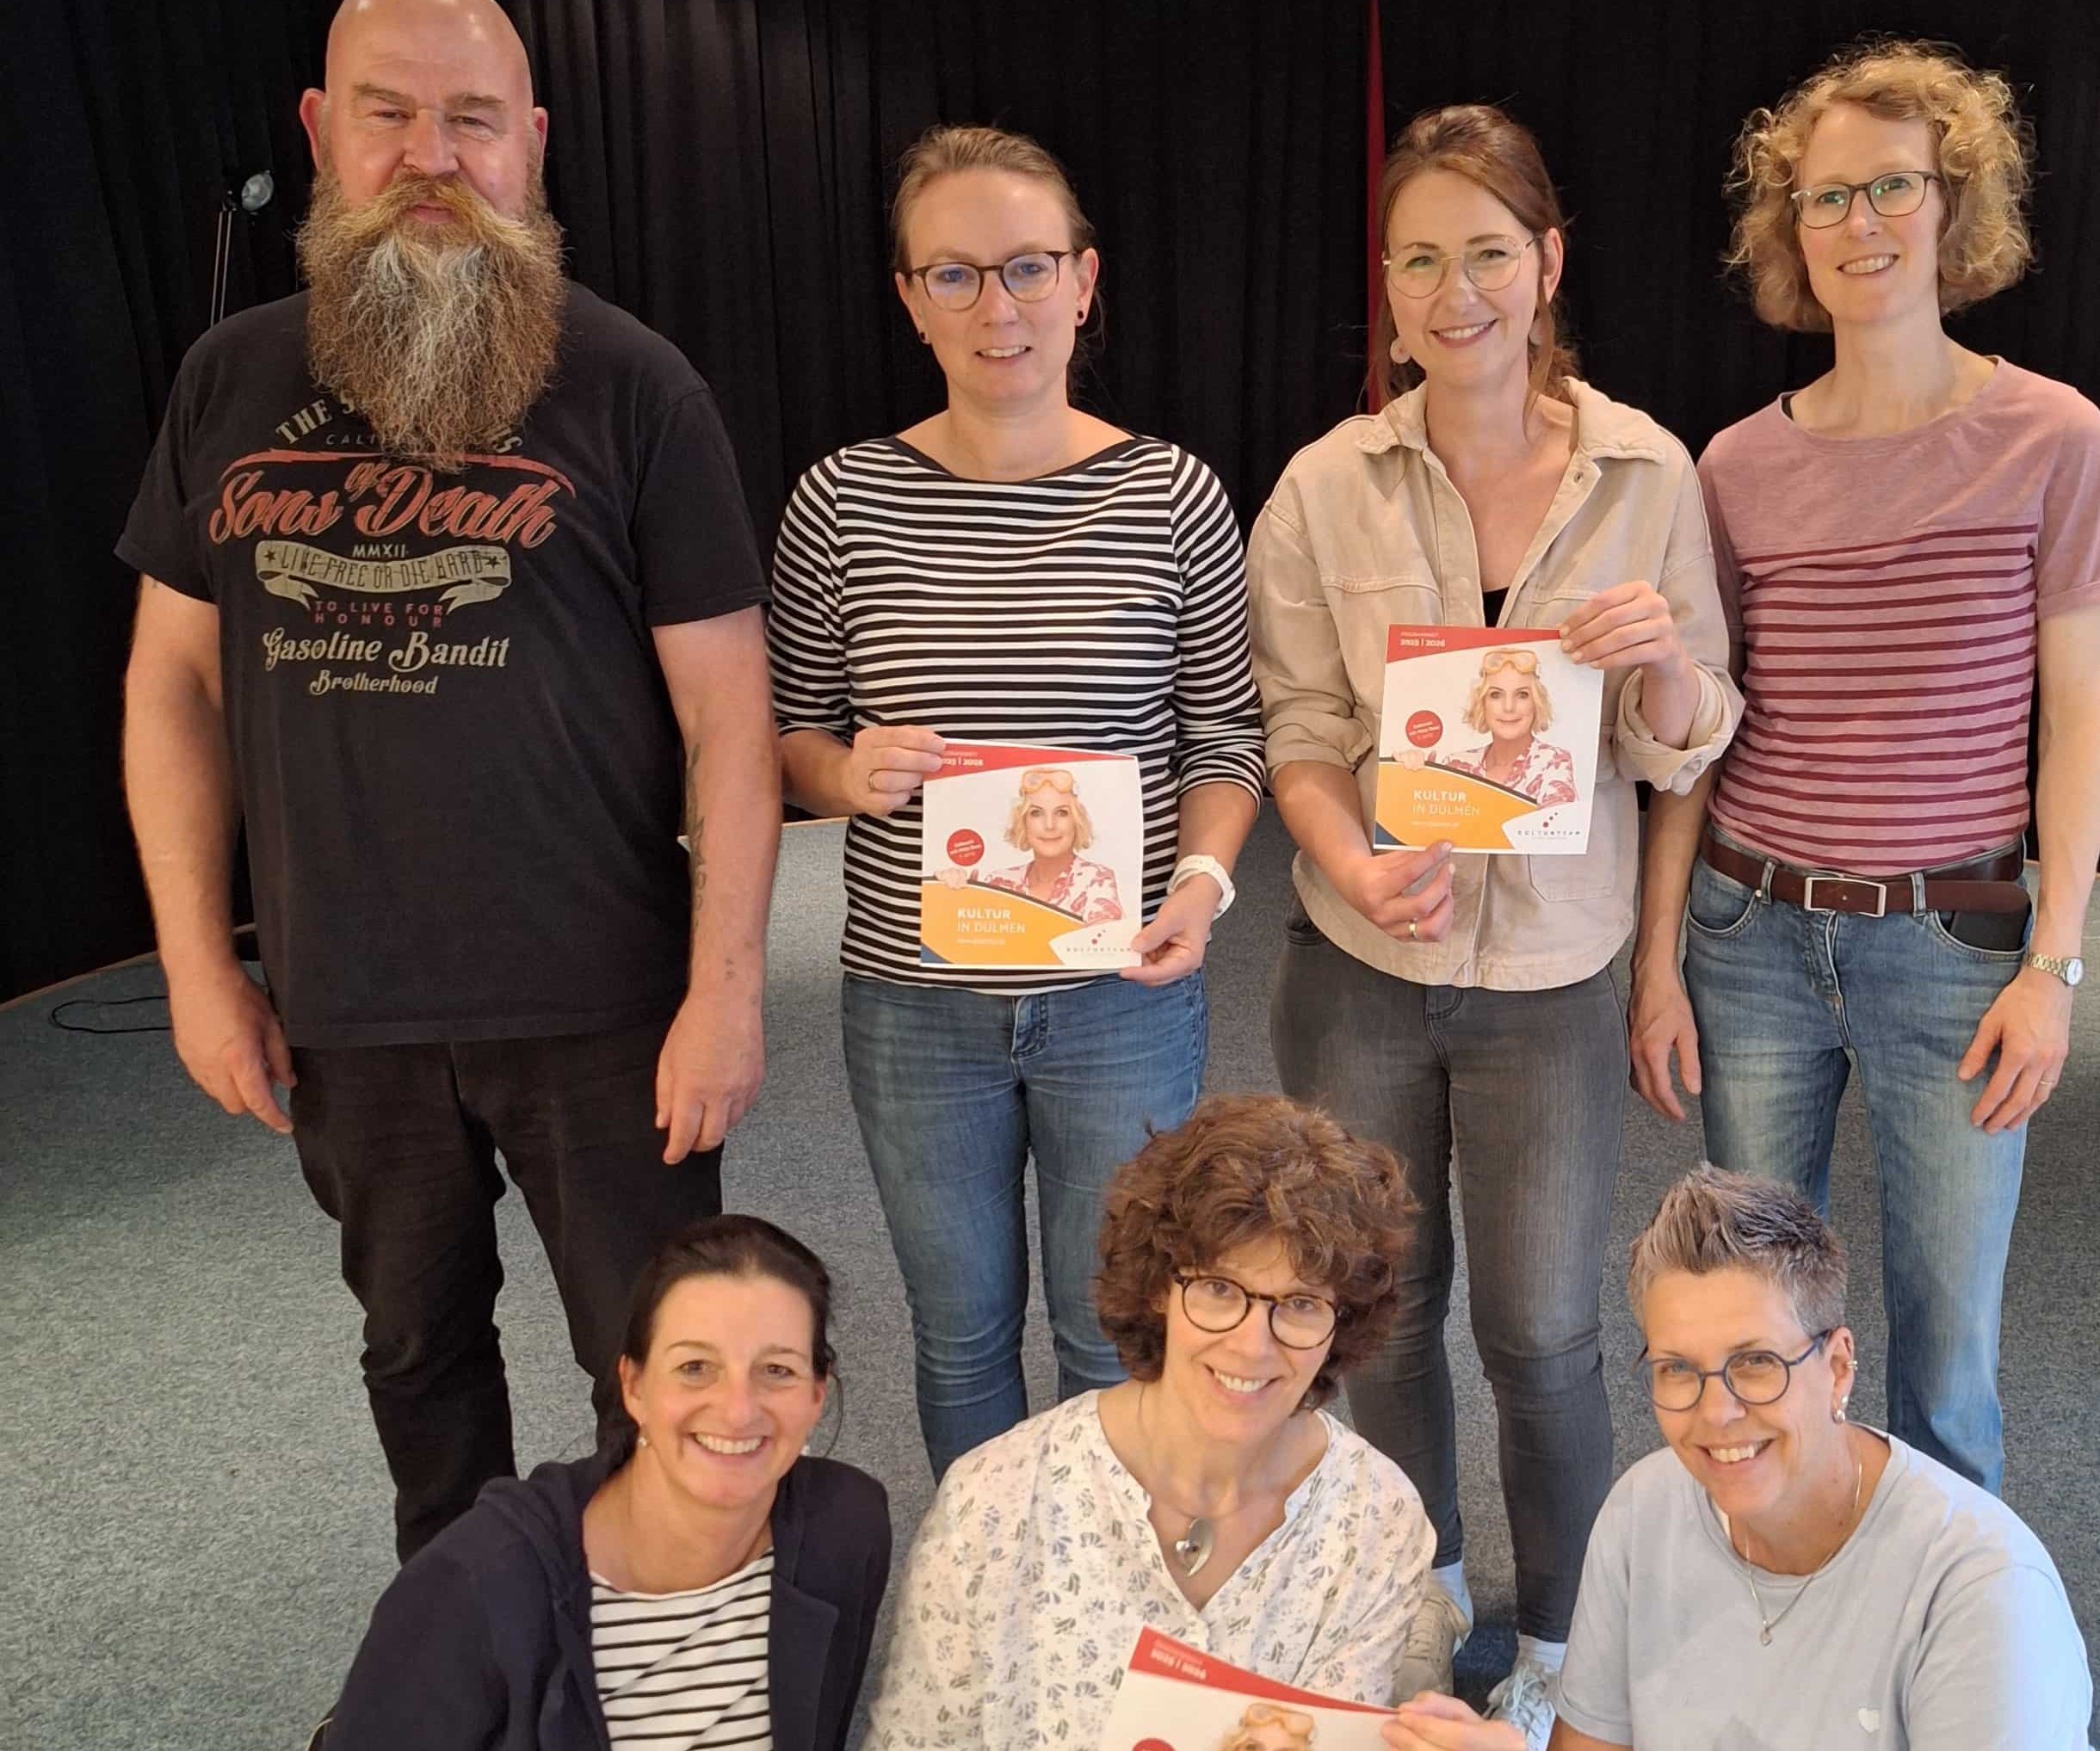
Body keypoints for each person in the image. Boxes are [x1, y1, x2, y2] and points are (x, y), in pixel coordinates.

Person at [118, 0, 779, 1561]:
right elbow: (171, 688)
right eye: (389, 113)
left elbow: (730, 720)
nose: (433, 156)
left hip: (604, 1001)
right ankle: (466, 1635)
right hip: (349, 1001)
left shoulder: (635, 385)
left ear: (530, 144)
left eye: (472, 118)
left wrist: (728, 990)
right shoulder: (228, 379)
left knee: (658, 1369)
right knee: (416, 1360)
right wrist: (197, 969)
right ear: (320, 130)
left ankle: (656, 1632)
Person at [1248, 104, 1741, 1743]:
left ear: (1546, 264)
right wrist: (1344, 852)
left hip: (1550, 971)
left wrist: (1658, 663)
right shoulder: (1325, 483)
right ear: (1385, 287)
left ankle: (1558, 1640)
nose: (1452, 293)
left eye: (1484, 255)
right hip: (1361, 966)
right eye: (1417, 261)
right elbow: (1299, 725)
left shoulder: (1645, 471)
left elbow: (1685, 744)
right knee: (1378, 1315)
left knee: (1542, 1332)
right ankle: (1425, 1586)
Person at [1630, 40, 2100, 1495]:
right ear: (1789, 228)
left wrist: (2057, 965)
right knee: (1750, 1329)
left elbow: (2080, 723)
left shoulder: (2052, 437)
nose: (1860, 223)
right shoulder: (1734, 466)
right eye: (1826, 196)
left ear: (1953, 203)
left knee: (1947, 1358)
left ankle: (1939, 1626)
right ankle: (1770, 1588)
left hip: (1952, 947)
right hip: (1749, 937)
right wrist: (1656, 961)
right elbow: (1699, 737)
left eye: (1892, 187)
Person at [768, 125, 1264, 1479]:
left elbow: (1226, 738)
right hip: (915, 1000)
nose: (999, 307)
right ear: (910, 297)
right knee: (961, 1333)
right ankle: (985, 1581)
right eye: (956, 274)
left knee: (1115, 1333)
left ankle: (1104, 1583)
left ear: (1084, 282)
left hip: (1122, 994)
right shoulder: (840, 500)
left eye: (1029, 266)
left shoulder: (1171, 494)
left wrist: (1203, 886)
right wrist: (841, 773)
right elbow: (789, 734)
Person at [873, 1094, 1519, 1748]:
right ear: (1158, 1287)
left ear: (1342, 1321)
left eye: (1300, 1303)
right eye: (1218, 1289)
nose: (1253, 1345)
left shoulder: (1375, 1521)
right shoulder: (993, 1502)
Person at [1553, 1168, 2093, 1749]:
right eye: (1678, 1368)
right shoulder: (1641, 1512)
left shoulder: (1983, 1594)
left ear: (1837, 1368)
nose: (1716, 1412)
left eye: (1756, 1362)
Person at [316, 1216, 893, 1751]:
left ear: (816, 1395)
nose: (738, 1410)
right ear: (634, 1385)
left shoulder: (846, 1528)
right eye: (695, 1367)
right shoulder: (475, 1580)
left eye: (777, 1370)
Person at [1424, 649, 1577, 807]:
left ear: (1536, 703)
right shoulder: (1456, 764)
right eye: (1496, 695)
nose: (1508, 707)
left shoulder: (1553, 762)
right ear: (1482, 703)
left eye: (1522, 695)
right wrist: (1415, 777)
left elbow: (1558, 820)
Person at [972, 766, 1124, 922]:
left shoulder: (1096, 880)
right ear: (1023, 822)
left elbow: (1103, 935)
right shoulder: (998, 882)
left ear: (1076, 821)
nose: (1050, 825)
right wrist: (962, 895)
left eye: (1062, 813)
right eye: (1036, 813)